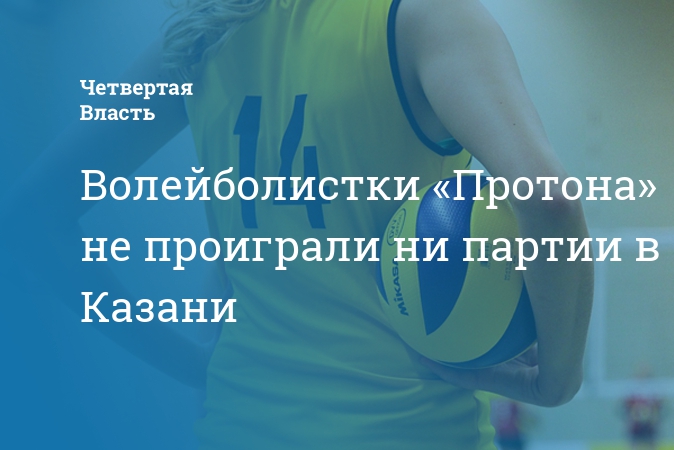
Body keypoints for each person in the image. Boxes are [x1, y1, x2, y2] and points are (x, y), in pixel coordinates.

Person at [4, 0, 594, 448]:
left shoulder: (199, 37)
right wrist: (558, 380)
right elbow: (547, 198)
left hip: (239, 426)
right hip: (409, 430)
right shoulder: (425, 18)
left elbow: (33, 215)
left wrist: (192, 365)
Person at [623, 366, 662, 450]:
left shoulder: (654, 390)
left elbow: (658, 407)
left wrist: (654, 417)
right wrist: (633, 415)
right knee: (634, 443)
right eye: (641, 374)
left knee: (652, 443)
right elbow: (626, 407)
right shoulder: (631, 390)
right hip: (636, 423)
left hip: (650, 423)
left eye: (645, 374)